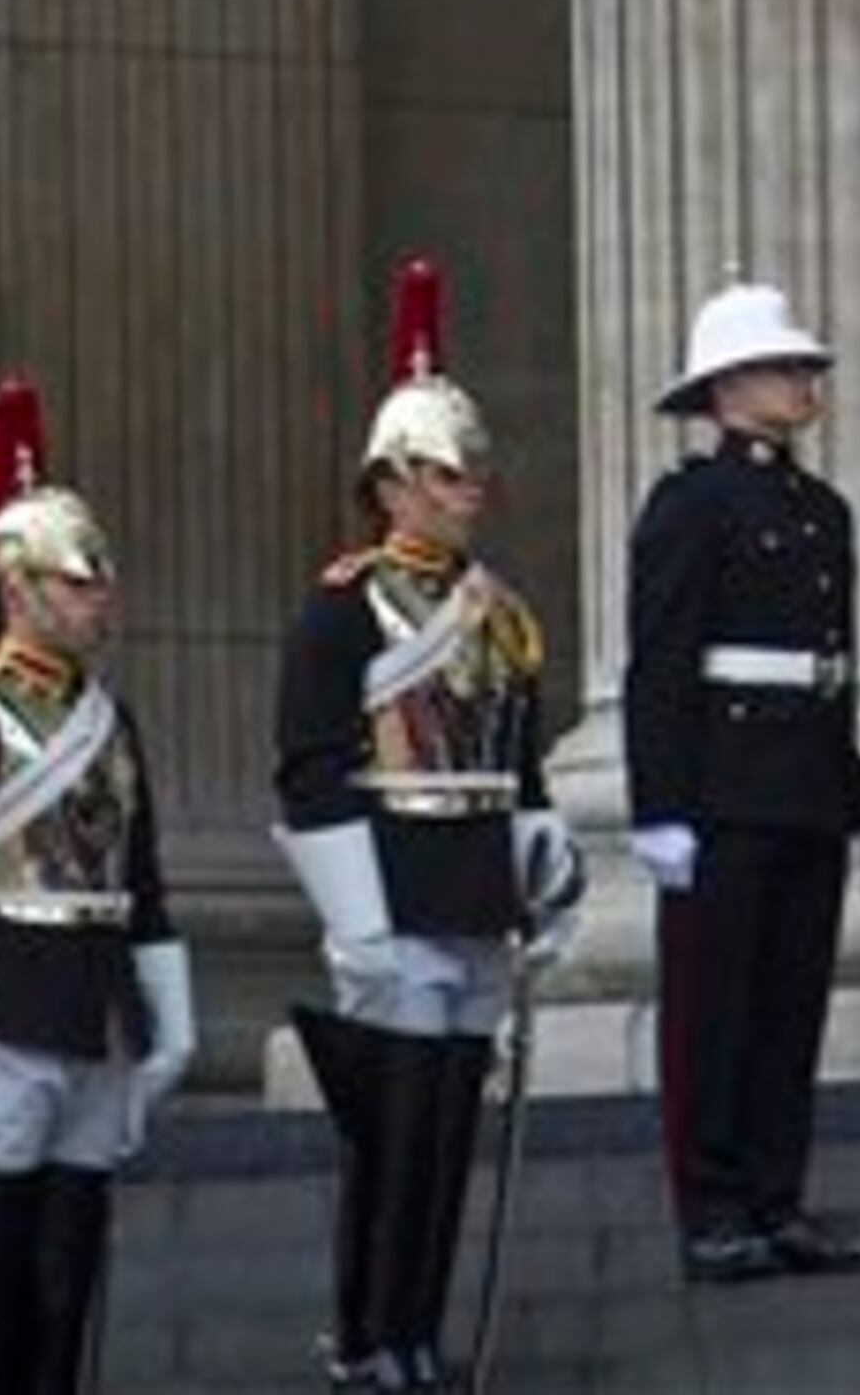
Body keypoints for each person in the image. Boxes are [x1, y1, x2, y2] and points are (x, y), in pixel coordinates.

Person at [273, 262, 585, 1389]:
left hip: (471, 888)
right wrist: (352, 919)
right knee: (392, 1136)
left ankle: (417, 1330)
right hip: (392, 888)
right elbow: (310, 771)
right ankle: (367, 1336)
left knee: (448, 1135)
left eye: (477, 474)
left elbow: (515, 765)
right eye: (452, 475)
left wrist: (545, 870)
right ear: (396, 482)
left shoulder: (499, 612)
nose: (472, 494)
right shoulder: (340, 610)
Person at [0, 380, 196, 1395]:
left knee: (67, 1281)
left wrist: (171, 1026)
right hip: (0, 1012)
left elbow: (137, 882)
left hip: (94, 1015)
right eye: (77, 582)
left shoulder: (112, 720)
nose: (100, 598)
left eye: (98, 581)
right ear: (18, 590)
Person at [625, 279, 860, 1284]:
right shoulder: (691, 505)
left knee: (789, 1004)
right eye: (788, 367)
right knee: (716, 1006)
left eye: (807, 368)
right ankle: (713, 1205)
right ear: (731, 387)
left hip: (804, 775)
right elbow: (661, 661)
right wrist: (661, 805)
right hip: (725, 783)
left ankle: (777, 1198)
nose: (806, 382)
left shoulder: (820, 509)